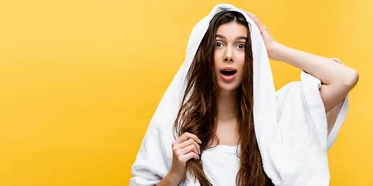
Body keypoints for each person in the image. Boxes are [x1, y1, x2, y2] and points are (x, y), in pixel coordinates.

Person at [130, 4, 358, 186]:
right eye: (218, 44)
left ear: (252, 57)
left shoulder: (277, 118)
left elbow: (345, 78)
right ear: (204, 55)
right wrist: (174, 174)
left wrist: (273, 49)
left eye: (241, 46)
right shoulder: (177, 125)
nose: (229, 55)